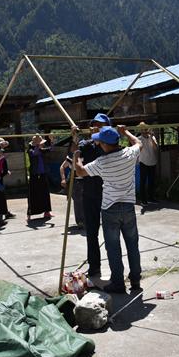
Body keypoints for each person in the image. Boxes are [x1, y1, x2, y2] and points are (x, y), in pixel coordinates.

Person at [74, 125, 142, 293]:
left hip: (110, 209)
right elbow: (139, 142)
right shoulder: (129, 153)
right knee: (132, 245)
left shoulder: (102, 162)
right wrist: (125, 131)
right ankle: (135, 281)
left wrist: (77, 158)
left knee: (113, 247)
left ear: (104, 144)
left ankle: (118, 283)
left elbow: (81, 172)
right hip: (128, 207)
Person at [76, 113, 111, 278]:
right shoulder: (85, 144)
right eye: (95, 124)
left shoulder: (111, 145)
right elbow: (74, 156)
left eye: (101, 125)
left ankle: (115, 270)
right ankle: (94, 267)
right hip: (90, 195)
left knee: (112, 234)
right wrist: (75, 138)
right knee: (92, 233)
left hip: (109, 195)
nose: (97, 127)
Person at [27, 135, 53, 221]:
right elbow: (34, 153)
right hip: (34, 174)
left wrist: (52, 141)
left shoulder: (42, 150)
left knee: (45, 193)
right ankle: (30, 213)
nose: (42, 145)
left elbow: (51, 149)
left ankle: (47, 211)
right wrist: (38, 145)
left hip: (43, 174)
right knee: (33, 194)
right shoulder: (30, 150)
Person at [60, 146, 84, 228]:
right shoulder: (70, 157)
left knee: (87, 201)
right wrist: (63, 179)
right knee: (78, 202)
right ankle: (80, 221)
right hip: (75, 181)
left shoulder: (86, 154)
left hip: (86, 180)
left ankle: (87, 219)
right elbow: (62, 167)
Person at [0, 138, 15, 219]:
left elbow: (1, 164)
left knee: (0, 194)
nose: (3, 145)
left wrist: (5, 170)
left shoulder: (0, 151)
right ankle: (1, 212)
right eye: (1, 144)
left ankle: (4, 211)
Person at [137, 122, 158, 205]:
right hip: (143, 162)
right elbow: (139, 149)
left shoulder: (152, 137)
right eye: (142, 129)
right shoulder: (139, 138)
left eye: (145, 129)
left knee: (151, 181)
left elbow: (156, 147)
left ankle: (151, 198)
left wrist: (152, 137)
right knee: (143, 181)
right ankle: (143, 200)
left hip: (152, 161)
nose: (144, 130)